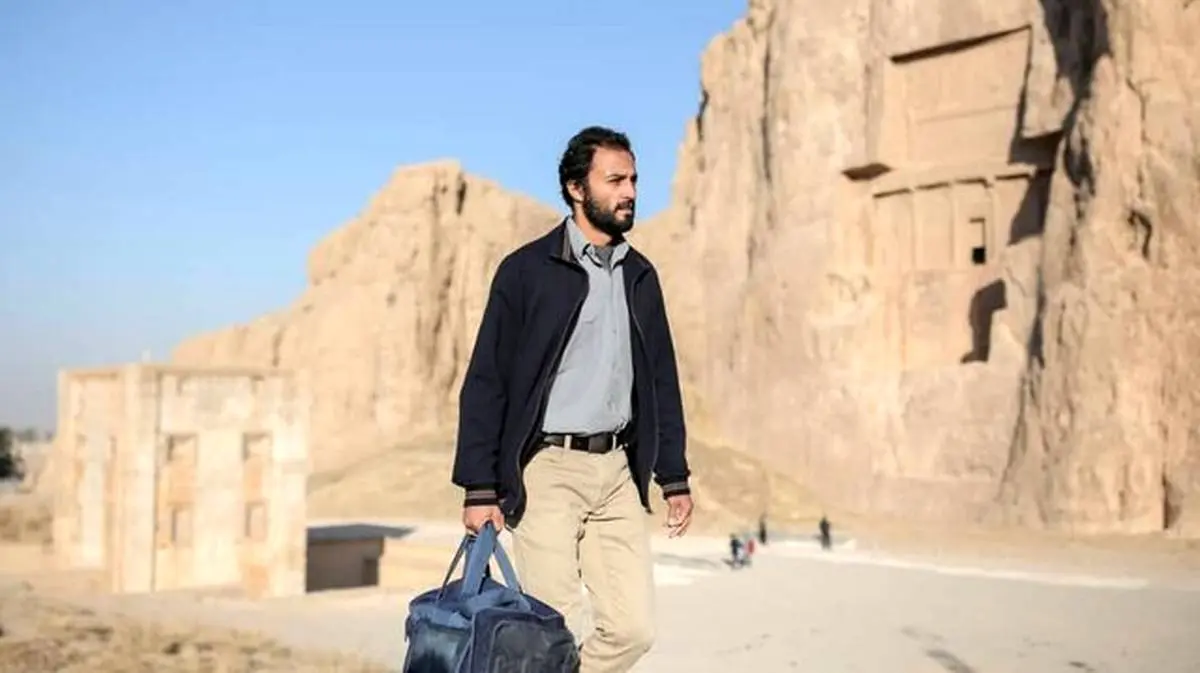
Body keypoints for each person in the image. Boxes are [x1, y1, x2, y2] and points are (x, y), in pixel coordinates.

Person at [451, 125, 695, 673]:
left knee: (633, 630)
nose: (630, 192)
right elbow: (487, 380)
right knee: (553, 630)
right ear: (576, 189)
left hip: (617, 473)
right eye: (615, 180)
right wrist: (479, 486)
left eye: (633, 180)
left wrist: (673, 475)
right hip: (547, 472)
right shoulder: (527, 271)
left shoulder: (640, 275)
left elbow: (661, 380)